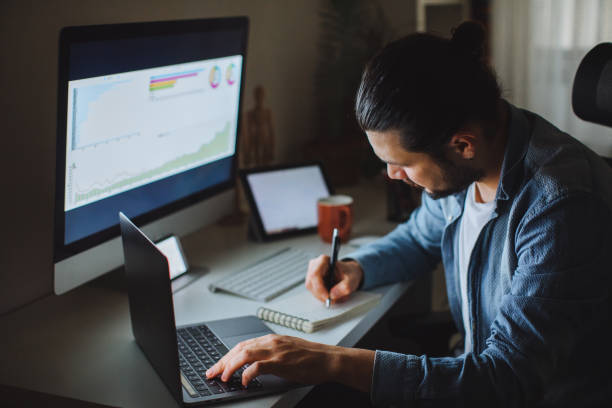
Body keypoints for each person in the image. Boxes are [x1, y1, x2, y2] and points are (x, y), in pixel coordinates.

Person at [206, 21, 612, 406]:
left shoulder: (559, 208)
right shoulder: (474, 156)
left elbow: (503, 380)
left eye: (402, 163)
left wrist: (330, 360)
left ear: (462, 145)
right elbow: (420, 237)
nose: (391, 175)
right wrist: (356, 268)